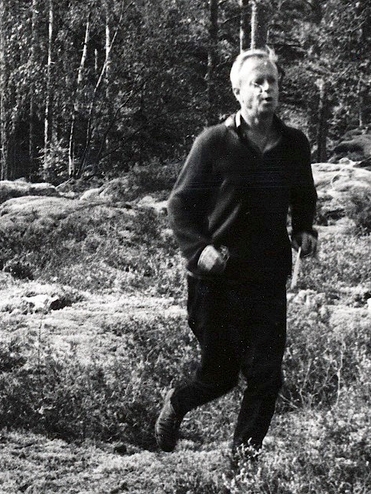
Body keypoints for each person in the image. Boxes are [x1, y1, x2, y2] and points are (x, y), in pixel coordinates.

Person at [157, 48, 318, 455]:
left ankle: (242, 462)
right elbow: (179, 204)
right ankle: (176, 405)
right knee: (219, 376)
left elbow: (304, 195)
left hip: (266, 278)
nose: (267, 90)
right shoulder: (213, 142)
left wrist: (303, 229)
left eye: (273, 82)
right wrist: (198, 251)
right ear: (237, 91)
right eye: (257, 83)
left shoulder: (294, 144)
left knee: (266, 376)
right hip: (216, 281)